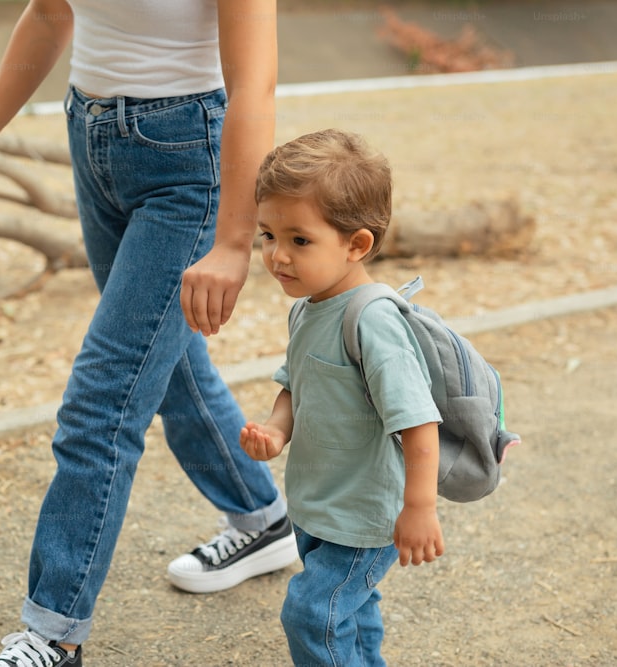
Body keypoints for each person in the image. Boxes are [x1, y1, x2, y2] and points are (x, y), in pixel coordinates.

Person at [0, 1, 298, 665]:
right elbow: (52, 12)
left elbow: (255, 85)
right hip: (93, 134)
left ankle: (55, 631)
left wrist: (233, 239)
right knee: (166, 362)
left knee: (103, 399)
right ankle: (261, 517)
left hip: (186, 158)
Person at [240, 128, 446, 667]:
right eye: (267, 235)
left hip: (365, 514)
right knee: (351, 613)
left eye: (299, 240)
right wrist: (276, 429)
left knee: (312, 614)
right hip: (320, 503)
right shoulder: (308, 306)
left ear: (356, 244)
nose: (277, 256)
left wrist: (419, 507)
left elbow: (419, 421)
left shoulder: (373, 319)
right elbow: (294, 383)